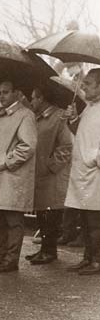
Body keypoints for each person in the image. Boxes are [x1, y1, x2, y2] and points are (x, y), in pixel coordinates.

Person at [0, 81, 37, 273]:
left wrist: (8, 162)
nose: (2, 96)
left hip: (12, 176)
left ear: (17, 93)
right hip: (1, 175)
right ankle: (2, 254)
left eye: (6, 92)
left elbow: (28, 145)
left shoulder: (25, 115)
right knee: (2, 217)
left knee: (13, 219)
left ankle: (11, 259)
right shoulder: (1, 115)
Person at [24, 87, 72, 265]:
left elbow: (67, 147)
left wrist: (50, 166)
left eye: (33, 98)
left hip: (53, 177)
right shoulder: (37, 119)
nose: (31, 102)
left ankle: (49, 251)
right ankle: (45, 249)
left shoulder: (59, 117)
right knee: (42, 214)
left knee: (50, 215)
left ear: (42, 98)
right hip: (42, 175)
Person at [63, 68, 100, 275]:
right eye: (83, 82)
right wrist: (73, 119)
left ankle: (97, 259)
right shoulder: (89, 108)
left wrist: (93, 160)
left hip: (95, 173)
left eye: (89, 83)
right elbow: (81, 133)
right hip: (83, 173)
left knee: (96, 220)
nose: (83, 86)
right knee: (85, 218)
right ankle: (88, 257)